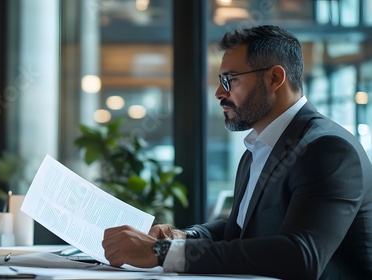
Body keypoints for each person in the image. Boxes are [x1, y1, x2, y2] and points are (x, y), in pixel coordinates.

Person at [102, 25, 372, 280]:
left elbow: (301, 256)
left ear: (275, 78)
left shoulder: (329, 150)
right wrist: (183, 237)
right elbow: (239, 228)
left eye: (229, 80)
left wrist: (160, 253)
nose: (219, 92)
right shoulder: (257, 149)